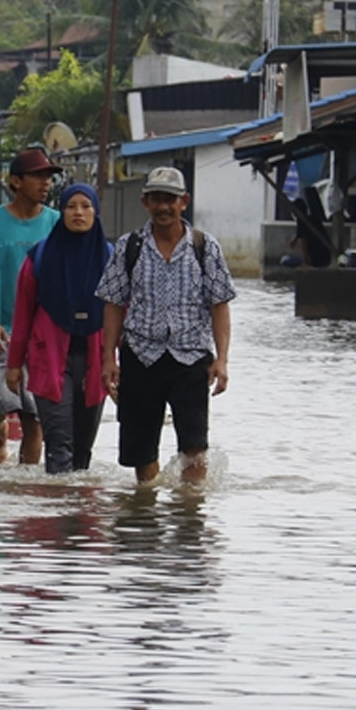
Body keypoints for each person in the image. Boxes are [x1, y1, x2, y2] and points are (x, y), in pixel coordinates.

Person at [96, 166, 236, 484]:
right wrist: (108, 359)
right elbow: (114, 305)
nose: (163, 207)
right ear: (146, 202)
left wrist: (222, 359)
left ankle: (188, 518)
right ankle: (146, 520)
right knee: (141, 453)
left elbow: (220, 306)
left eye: (170, 199)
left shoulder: (205, 247)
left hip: (191, 359)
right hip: (141, 356)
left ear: (183, 202)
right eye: (157, 199)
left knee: (195, 449)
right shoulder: (129, 247)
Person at [0, 147, 62, 464]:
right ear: (16, 182)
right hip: (0, 333)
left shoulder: (57, 224)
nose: (46, 183)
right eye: (38, 176)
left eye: (49, 177)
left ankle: (24, 490)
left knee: (35, 416)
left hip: (42, 337)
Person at [5, 183, 112, 474]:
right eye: (71, 206)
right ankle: (57, 511)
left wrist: (119, 361)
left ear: (96, 212)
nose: (78, 212)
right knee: (59, 446)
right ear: (61, 212)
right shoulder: (39, 259)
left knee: (83, 452)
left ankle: (80, 513)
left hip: (96, 360)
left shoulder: (112, 260)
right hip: (49, 359)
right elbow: (23, 316)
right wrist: (14, 365)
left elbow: (122, 315)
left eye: (85, 206)